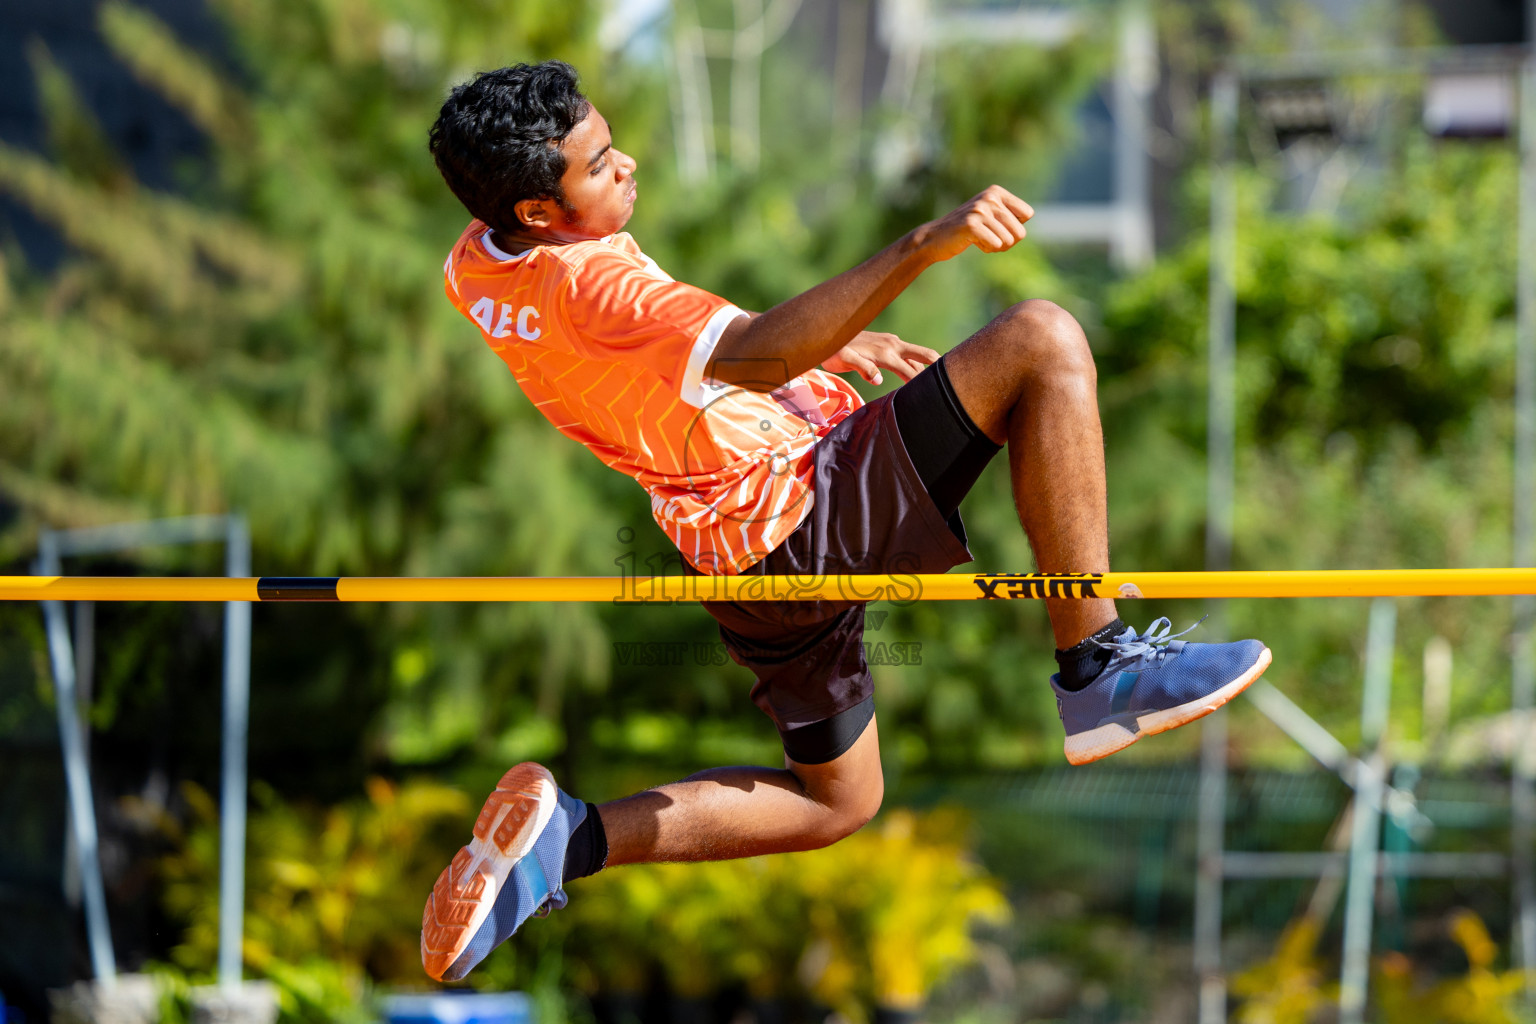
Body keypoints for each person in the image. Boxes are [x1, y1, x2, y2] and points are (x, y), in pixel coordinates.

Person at [420, 60, 1271, 982]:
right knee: (1041, 339)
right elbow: (738, 353)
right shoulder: (594, 286)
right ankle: (1096, 667)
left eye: (612, 142)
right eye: (597, 163)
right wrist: (918, 247)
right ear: (540, 212)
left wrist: (814, 352)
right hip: (804, 510)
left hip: (741, 563)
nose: (625, 165)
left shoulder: (479, 260)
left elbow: (669, 362)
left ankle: (568, 842)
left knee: (837, 801)